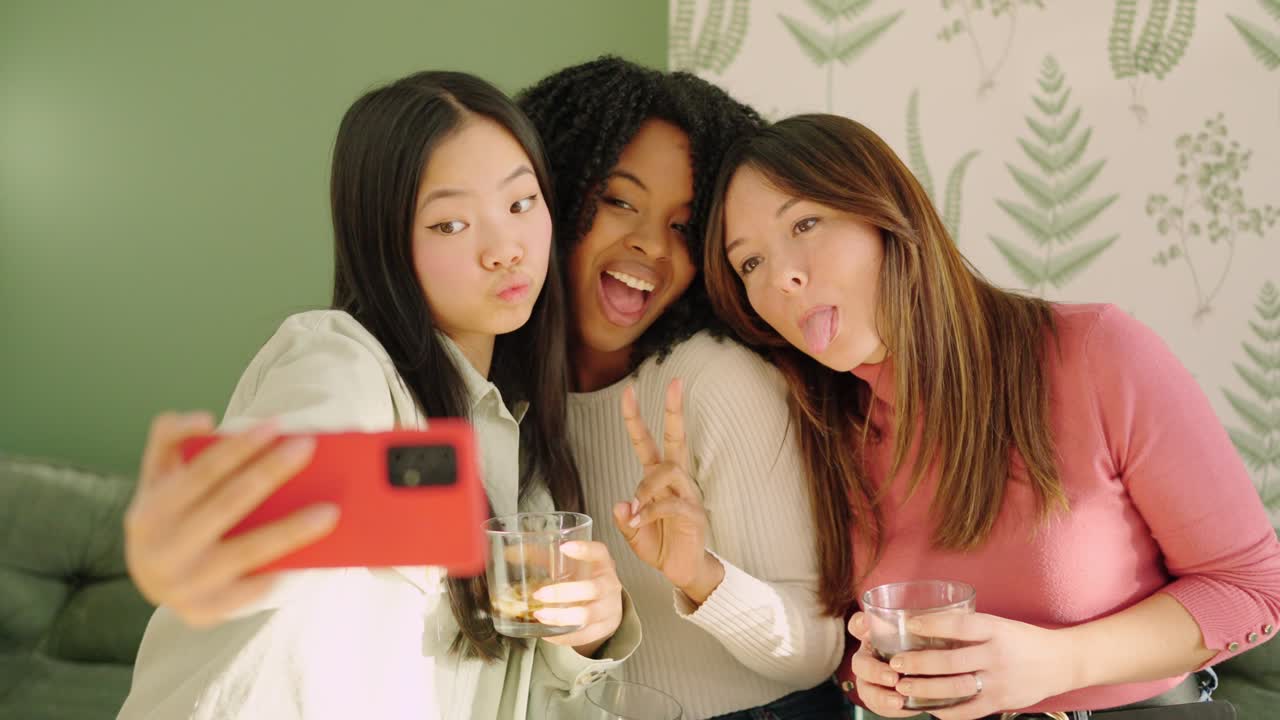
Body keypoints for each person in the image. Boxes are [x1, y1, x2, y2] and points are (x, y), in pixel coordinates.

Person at [703, 113, 1280, 719]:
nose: (783, 280)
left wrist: (1061, 663)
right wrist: (868, 679)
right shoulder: (823, 428)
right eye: (750, 264)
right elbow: (846, 642)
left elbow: (1252, 590)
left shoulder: (1094, 353)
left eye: (806, 223)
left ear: (886, 214)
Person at [116, 71, 637, 720]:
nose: (504, 249)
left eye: (521, 203)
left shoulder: (522, 443)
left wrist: (588, 631)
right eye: (449, 224)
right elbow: (296, 494)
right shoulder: (341, 361)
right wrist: (196, 554)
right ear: (385, 243)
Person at [517, 58, 846, 719]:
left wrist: (702, 577)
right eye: (619, 201)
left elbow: (818, 650)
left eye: (682, 225)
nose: (650, 246)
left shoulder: (715, 383)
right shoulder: (505, 397)